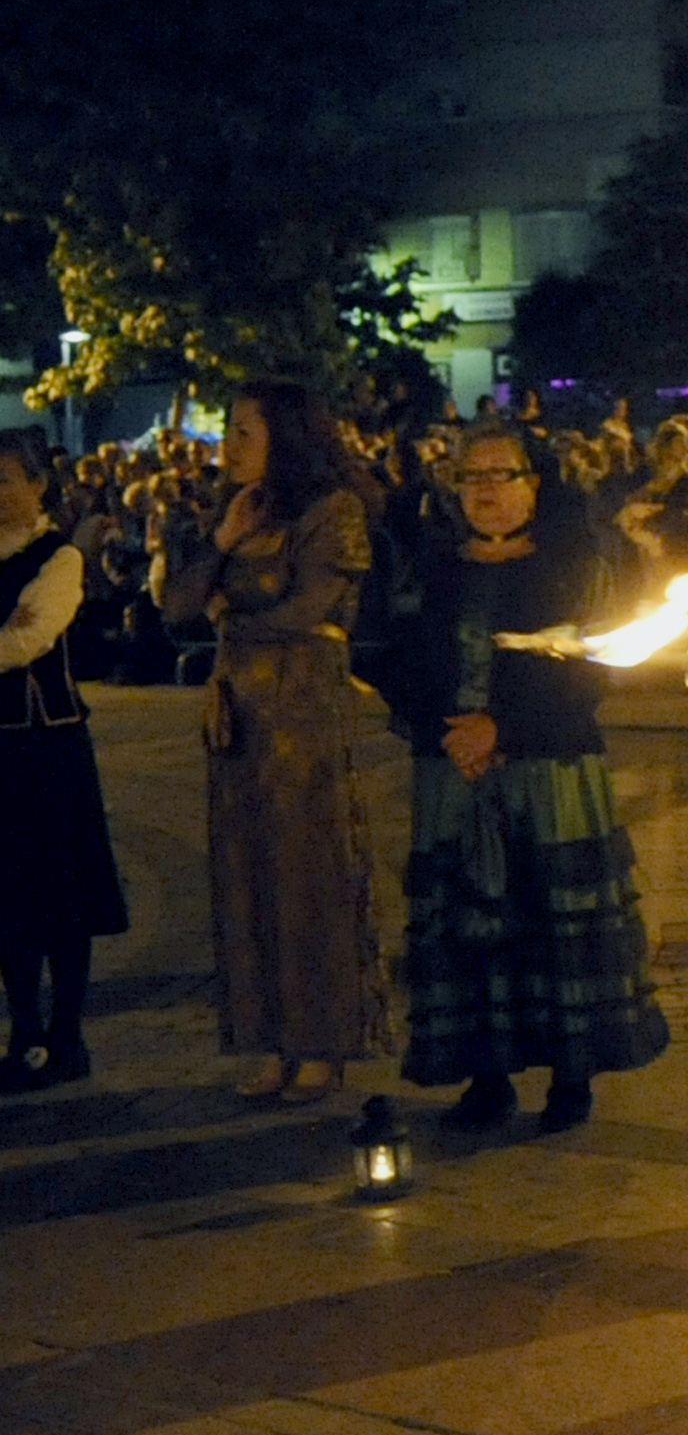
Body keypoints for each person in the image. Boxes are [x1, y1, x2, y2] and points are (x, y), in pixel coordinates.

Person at [371, 424, 669, 1131]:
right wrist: (446, 726)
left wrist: (501, 728)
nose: (486, 492)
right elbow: (395, 657)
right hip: (454, 772)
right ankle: (486, 1075)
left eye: (503, 475)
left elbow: (590, 672)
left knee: (551, 924)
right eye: (471, 478)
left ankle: (571, 1078)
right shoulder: (433, 568)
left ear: (536, 483)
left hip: (550, 772)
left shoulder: (575, 568)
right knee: (470, 925)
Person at [163, 379, 386, 1100]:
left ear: (284, 438)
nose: (229, 448)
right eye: (228, 433)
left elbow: (310, 610)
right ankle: (269, 1040)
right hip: (238, 718)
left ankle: (321, 1041)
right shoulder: (238, 515)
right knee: (246, 874)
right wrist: (221, 545)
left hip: (303, 714)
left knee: (306, 875)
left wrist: (231, 614)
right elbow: (175, 607)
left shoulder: (334, 512)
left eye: (243, 433)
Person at [0, 430, 127, 1090]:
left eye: (6, 482)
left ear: (37, 485)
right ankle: (24, 1033)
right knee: (8, 901)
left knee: (61, 898)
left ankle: (67, 1035)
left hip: (48, 749)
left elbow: (28, 639)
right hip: (3, 749)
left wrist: (11, 633)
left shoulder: (59, 559)